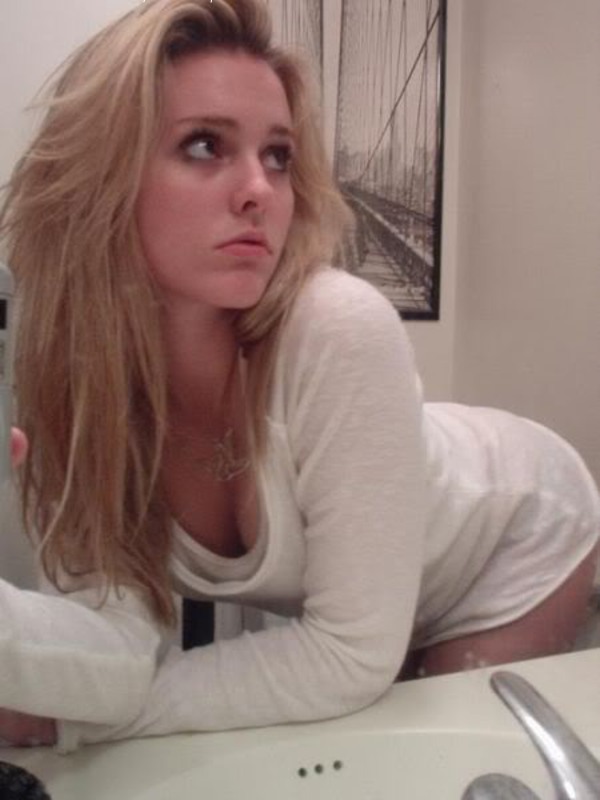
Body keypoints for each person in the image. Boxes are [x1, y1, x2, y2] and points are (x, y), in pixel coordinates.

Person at [0, 0, 598, 753]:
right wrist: (64, 687)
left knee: (426, 761)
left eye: (278, 155)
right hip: (377, 615)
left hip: (515, 541)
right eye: (205, 145)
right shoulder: (77, 381)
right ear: (100, 176)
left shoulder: (340, 328)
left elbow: (347, 658)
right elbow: (109, 653)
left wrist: (81, 715)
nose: (259, 187)